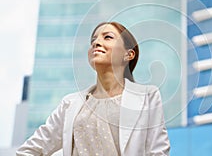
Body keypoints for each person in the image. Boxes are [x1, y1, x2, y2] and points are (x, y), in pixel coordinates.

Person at [16, 22, 170, 156]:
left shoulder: (147, 96)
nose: (96, 43)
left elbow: (157, 152)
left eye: (107, 37)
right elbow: (30, 150)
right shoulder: (70, 103)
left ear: (128, 54)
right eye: (93, 40)